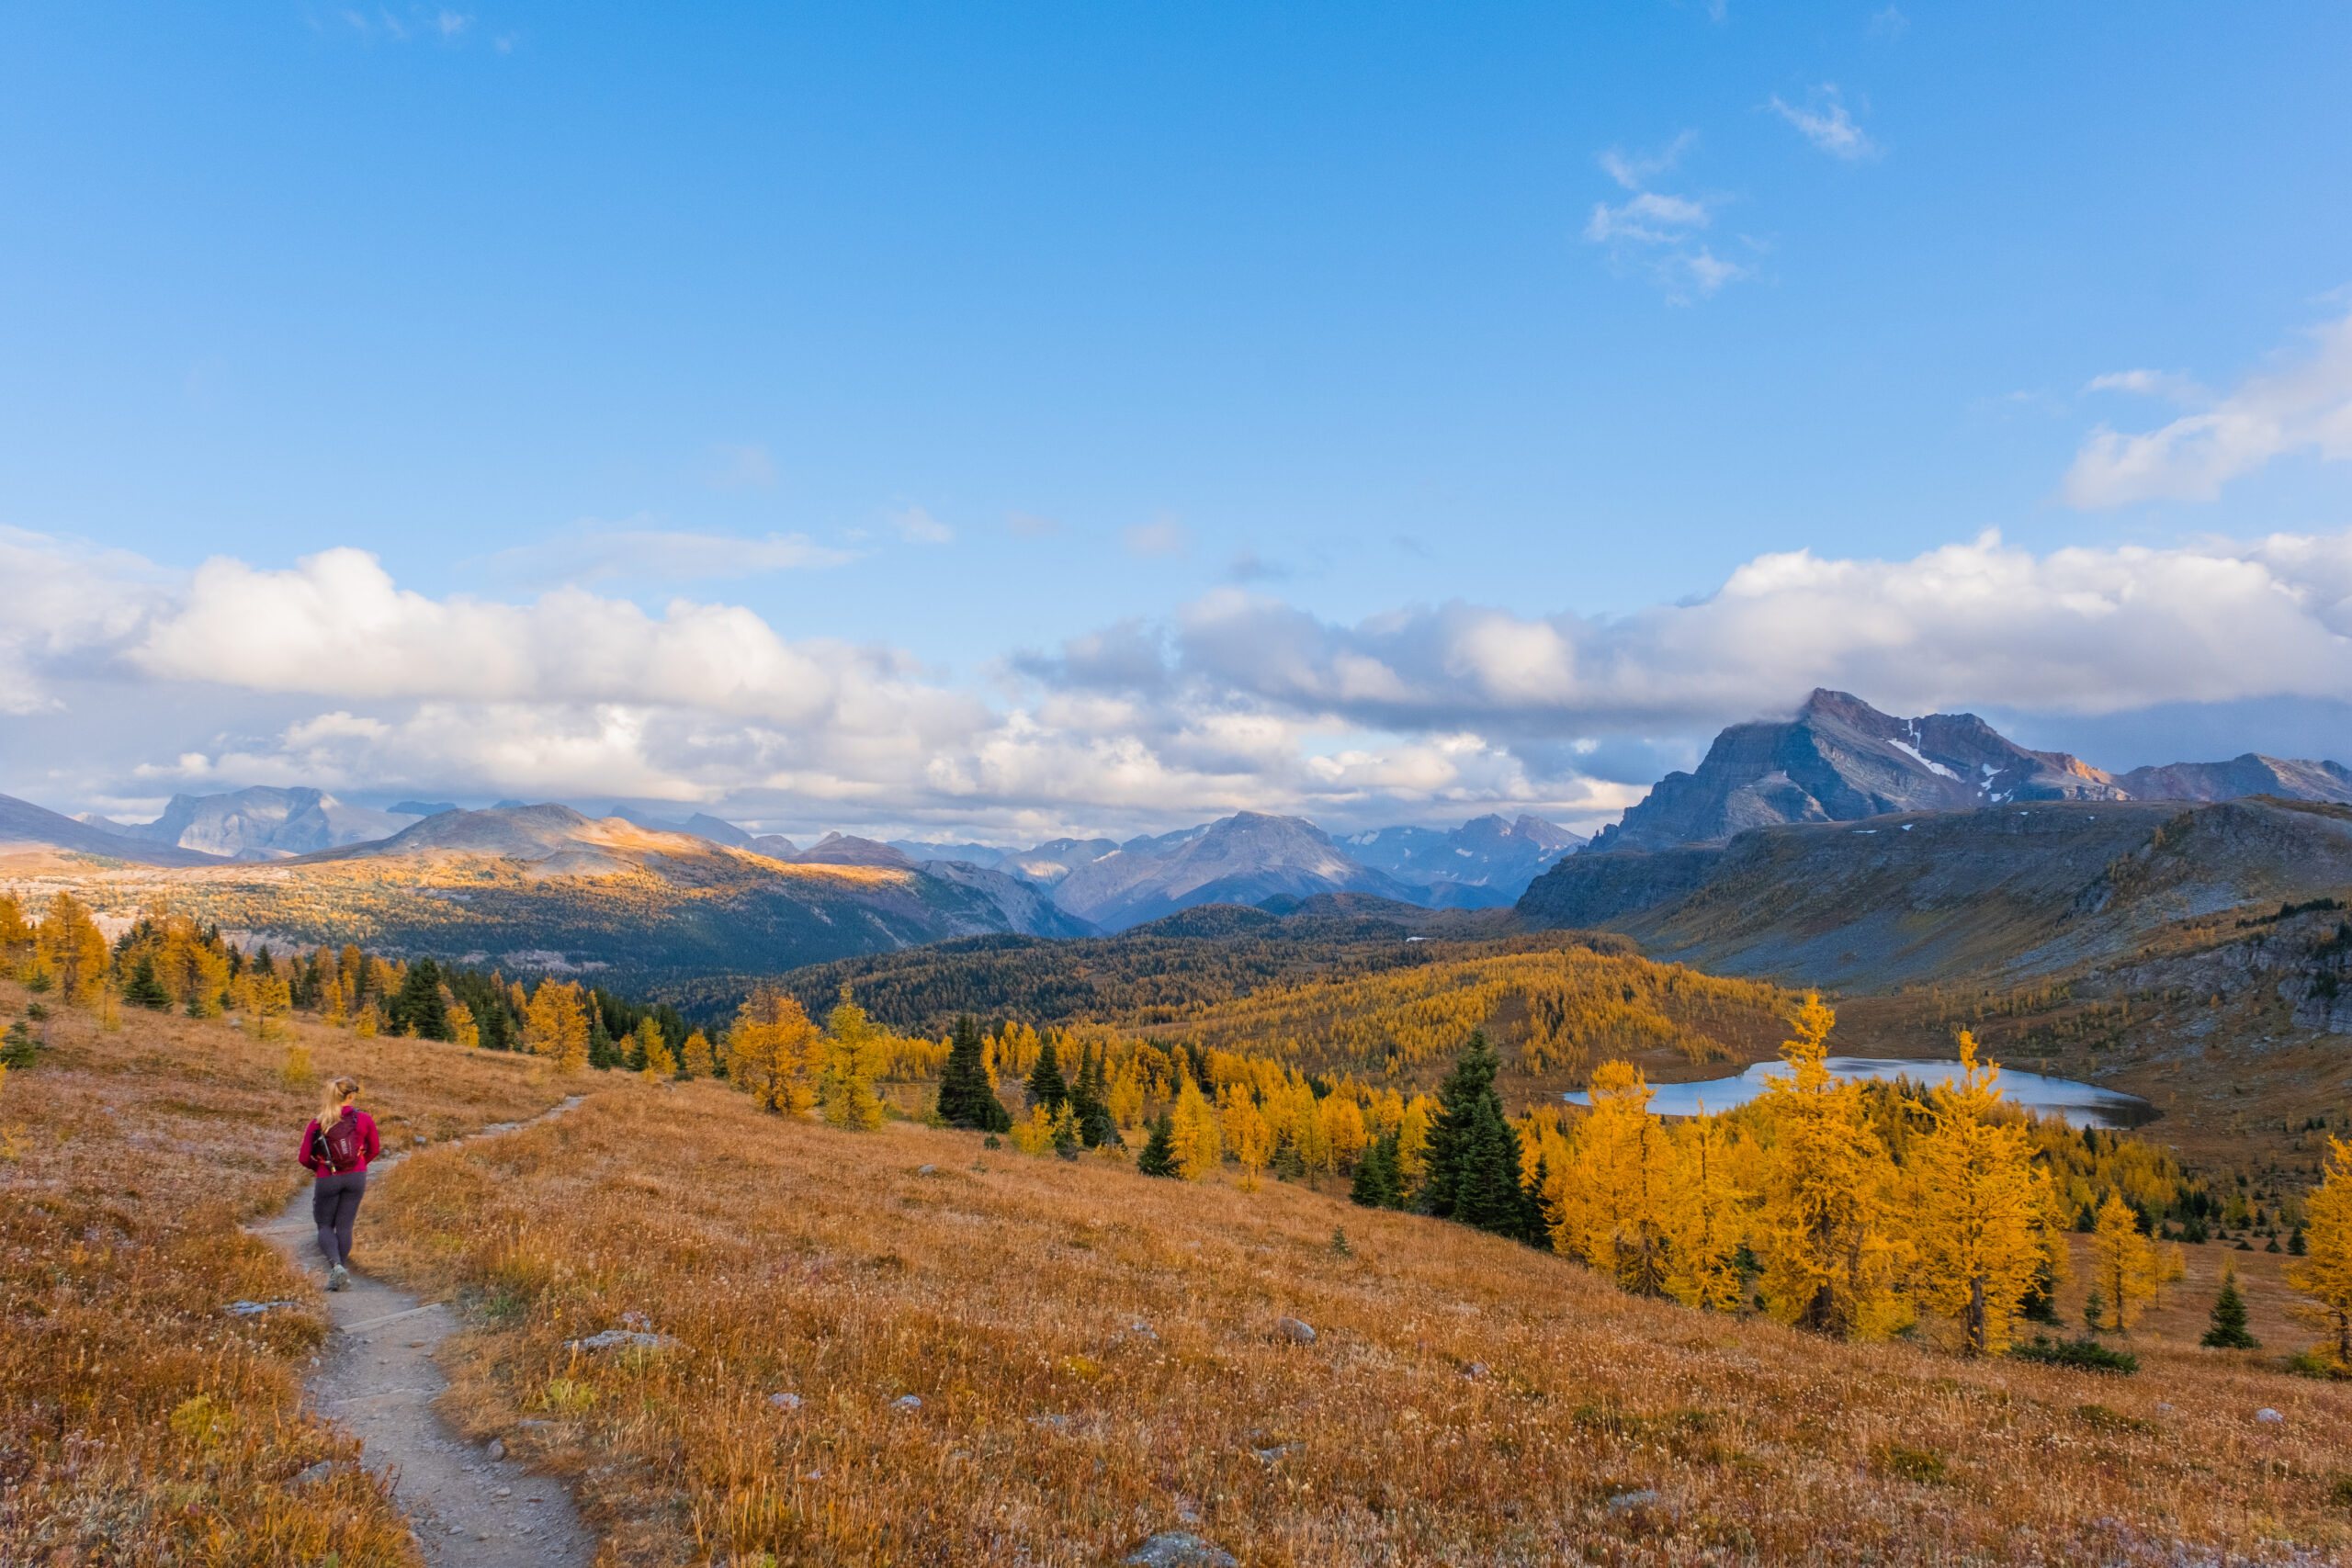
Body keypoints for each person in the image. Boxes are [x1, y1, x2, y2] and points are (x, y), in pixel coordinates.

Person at [300, 1077, 381, 1292]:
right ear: (352, 1095)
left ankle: (336, 1268)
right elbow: (374, 1149)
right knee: (345, 1225)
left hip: (328, 1177)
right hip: (356, 1178)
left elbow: (303, 1157)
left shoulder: (318, 1122)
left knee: (325, 1225)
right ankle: (341, 1270)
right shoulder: (364, 1119)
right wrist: (360, 1165)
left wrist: (320, 1168)